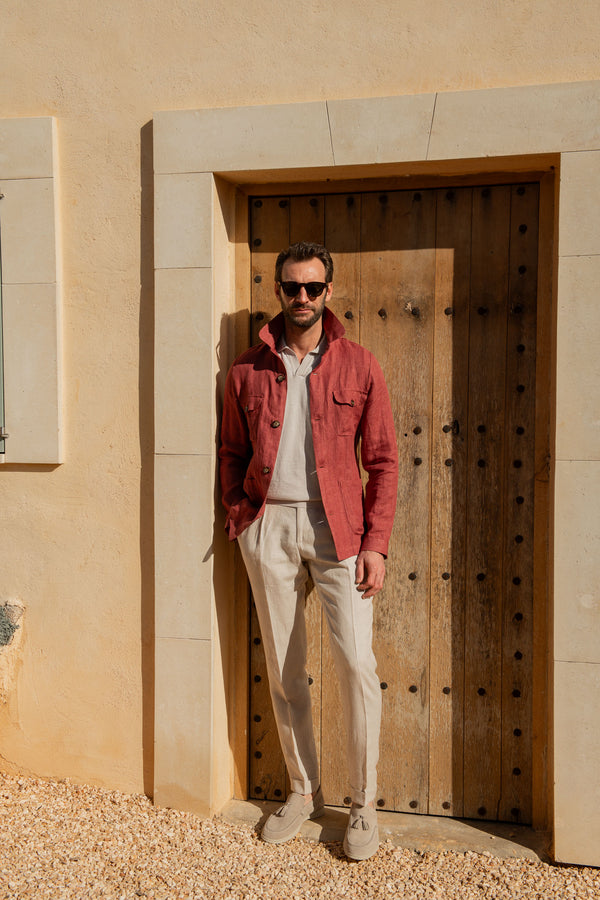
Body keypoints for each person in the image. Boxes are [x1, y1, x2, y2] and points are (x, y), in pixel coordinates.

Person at [219, 241, 398, 861]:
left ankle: (364, 804)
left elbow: (383, 461)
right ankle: (301, 790)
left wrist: (375, 543)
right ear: (277, 291)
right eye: (292, 287)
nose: (302, 297)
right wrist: (241, 520)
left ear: (328, 292)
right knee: (287, 666)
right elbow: (231, 451)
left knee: (355, 665)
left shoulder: (359, 365)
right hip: (268, 525)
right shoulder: (246, 369)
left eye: (313, 288)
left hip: (339, 531)